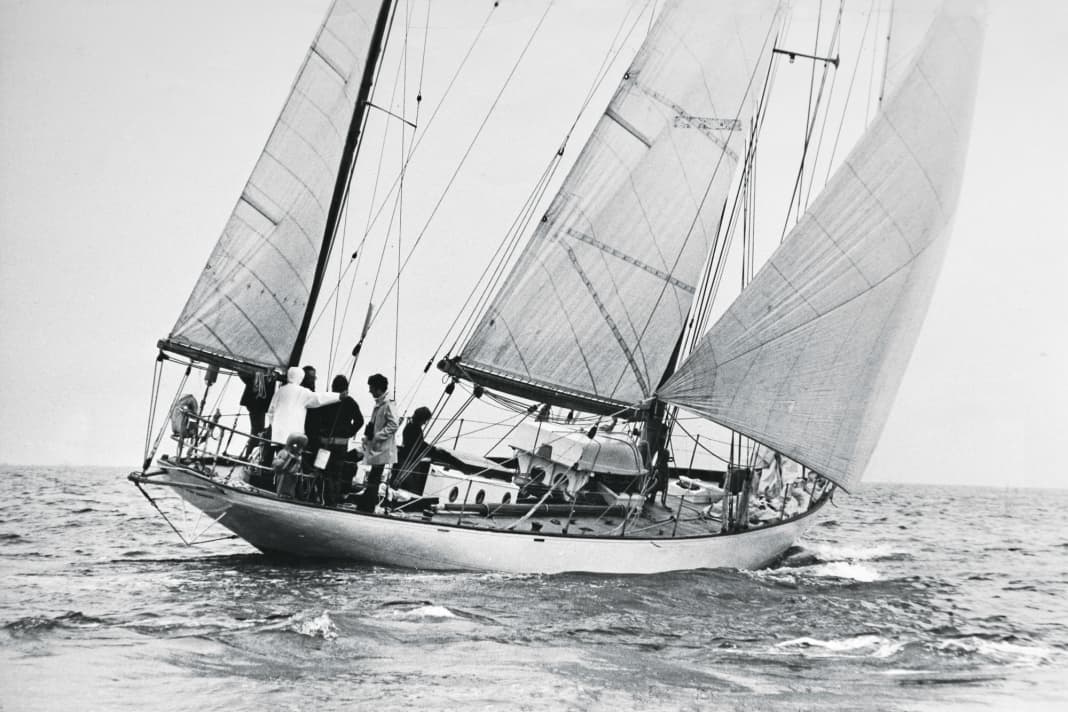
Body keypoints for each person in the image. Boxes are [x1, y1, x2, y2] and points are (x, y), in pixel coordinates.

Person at [315, 375, 364, 506]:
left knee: (322, 470)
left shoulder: (327, 400)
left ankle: (321, 498)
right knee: (337, 473)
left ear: (333, 387)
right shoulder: (350, 402)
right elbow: (360, 421)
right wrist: (349, 433)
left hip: (325, 443)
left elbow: (317, 420)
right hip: (341, 444)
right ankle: (333, 501)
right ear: (346, 388)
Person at [267, 366, 340, 445]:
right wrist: (338, 396)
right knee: (289, 455)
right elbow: (319, 398)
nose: (313, 380)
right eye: (311, 378)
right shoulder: (303, 392)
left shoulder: (280, 391)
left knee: (279, 455)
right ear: (302, 378)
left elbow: (271, 411)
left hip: (278, 435)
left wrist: (273, 425)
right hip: (294, 435)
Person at [357, 373, 398, 513]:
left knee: (375, 477)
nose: (370, 391)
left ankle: (367, 506)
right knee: (374, 476)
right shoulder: (381, 403)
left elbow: (394, 425)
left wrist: (377, 436)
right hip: (377, 446)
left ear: (378, 389)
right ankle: (366, 504)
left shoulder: (388, 403)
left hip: (382, 447)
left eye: (371, 388)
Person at [272, 433, 307, 499]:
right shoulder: (284, 452)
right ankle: (282, 494)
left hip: (293, 475)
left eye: (302, 447)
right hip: (283, 474)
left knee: (292, 483)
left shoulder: (299, 456)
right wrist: (289, 458)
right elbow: (277, 465)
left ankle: (291, 495)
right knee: (284, 481)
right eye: (299, 446)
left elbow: (297, 468)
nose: (300, 449)